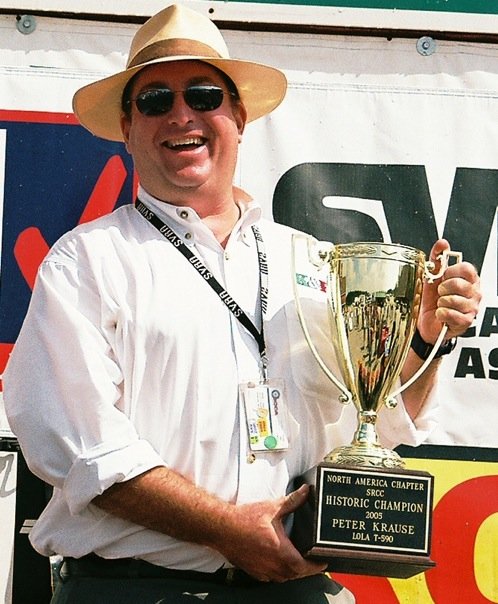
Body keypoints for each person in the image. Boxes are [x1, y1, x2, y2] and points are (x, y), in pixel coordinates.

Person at [4, 4, 481, 603]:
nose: (182, 114)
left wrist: (422, 341)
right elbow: (79, 448)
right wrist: (227, 532)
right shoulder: (87, 262)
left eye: (204, 95)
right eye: (154, 100)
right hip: (134, 590)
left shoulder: (311, 260)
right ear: (127, 126)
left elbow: (378, 426)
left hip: (297, 590)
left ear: (240, 115)